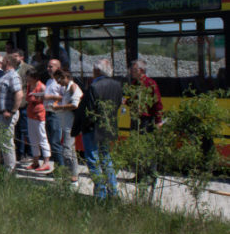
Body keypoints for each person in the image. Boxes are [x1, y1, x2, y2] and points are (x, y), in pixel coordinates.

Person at [84, 59, 123, 199]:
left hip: (93, 129)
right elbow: (117, 105)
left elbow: (89, 110)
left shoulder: (94, 86)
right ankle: (113, 190)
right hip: (108, 127)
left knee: (93, 159)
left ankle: (100, 193)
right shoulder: (117, 85)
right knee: (106, 157)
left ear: (97, 71)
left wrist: (83, 125)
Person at [0, 53, 23, 171]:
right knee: (4, 142)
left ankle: (10, 170)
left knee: (6, 143)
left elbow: (19, 94)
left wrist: (12, 111)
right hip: (0, 114)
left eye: (2, 61)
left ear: (7, 63)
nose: (0, 63)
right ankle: (7, 167)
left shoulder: (13, 76)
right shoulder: (4, 74)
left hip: (6, 116)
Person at [51, 69, 83, 186]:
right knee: (71, 151)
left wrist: (59, 108)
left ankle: (71, 176)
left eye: (58, 80)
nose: (58, 83)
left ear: (65, 77)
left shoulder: (73, 87)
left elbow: (75, 104)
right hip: (66, 123)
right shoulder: (66, 89)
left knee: (67, 151)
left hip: (71, 124)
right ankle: (72, 175)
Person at [24, 67, 52, 171]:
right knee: (33, 138)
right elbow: (27, 98)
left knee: (42, 138)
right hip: (30, 114)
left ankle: (46, 161)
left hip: (40, 115)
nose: (27, 79)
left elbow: (44, 99)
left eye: (29, 77)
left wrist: (35, 98)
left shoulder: (42, 87)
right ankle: (35, 161)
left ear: (35, 78)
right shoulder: (28, 86)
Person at [129, 59, 163, 132]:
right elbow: (134, 101)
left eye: (133, 69)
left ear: (141, 70)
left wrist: (158, 120)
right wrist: (127, 101)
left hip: (146, 120)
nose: (131, 71)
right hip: (135, 118)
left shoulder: (150, 83)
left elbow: (157, 102)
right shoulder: (134, 83)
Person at [42, 59, 65, 168]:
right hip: (48, 113)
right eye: (48, 66)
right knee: (51, 142)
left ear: (58, 68)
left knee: (56, 143)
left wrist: (50, 97)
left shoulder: (61, 81)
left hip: (57, 114)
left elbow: (65, 97)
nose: (48, 69)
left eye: (51, 67)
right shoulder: (49, 81)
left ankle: (62, 170)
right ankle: (57, 169)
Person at [12, 48, 33, 163]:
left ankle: (29, 153)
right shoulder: (12, 68)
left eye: (15, 56)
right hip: (15, 104)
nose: (13, 58)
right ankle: (20, 153)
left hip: (24, 103)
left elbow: (30, 85)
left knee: (26, 130)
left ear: (21, 57)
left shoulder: (28, 69)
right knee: (17, 130)